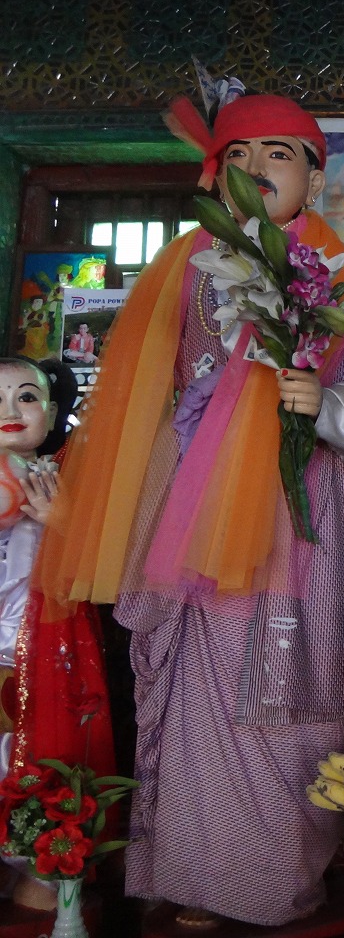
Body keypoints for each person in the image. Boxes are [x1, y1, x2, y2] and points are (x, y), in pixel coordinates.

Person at [30, 92, 344, 927]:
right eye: (237, 154)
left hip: (299, 503)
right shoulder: (183, 263)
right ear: (214, 173)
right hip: (192, 509)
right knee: (200, 685)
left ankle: (278, 880)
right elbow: (141, 396)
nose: (255, 167)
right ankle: (199, 879)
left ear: (316, 176)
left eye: (278, 153)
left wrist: (325, 404)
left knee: (289, 683)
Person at [1, 356, 114, 911]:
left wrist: (61, 521)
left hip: (42, 646)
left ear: (51, 411)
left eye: (26, 396)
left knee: (43, 752)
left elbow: (107, 568)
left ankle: (42, 868)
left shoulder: (65, 478)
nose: (10, 409)